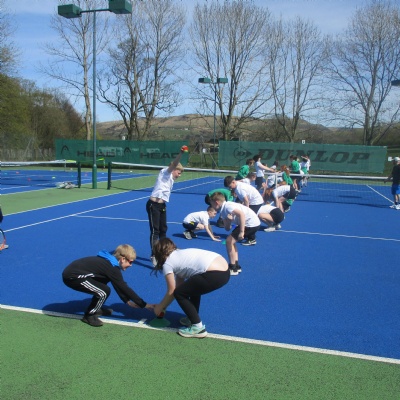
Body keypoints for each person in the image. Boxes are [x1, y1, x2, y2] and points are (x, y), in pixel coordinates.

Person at [152, 238, 230, 338]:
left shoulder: (168, 263)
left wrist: (160, 307)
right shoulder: (179, 254)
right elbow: (180, 286)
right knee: (190, 288)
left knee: (179, 293)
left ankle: (198, 328)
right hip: (225, 271)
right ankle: (192, 318)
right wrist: (164, 306)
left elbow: (172, 291)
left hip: (214, 274)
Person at [62, 244, 154, 327]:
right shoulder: (112, 267)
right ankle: (89, 315)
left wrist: (127, 301)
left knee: (104, 282)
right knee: (103, 292)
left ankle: (96, 308)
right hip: (73, 277)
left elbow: (117, 284)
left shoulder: (110, 261)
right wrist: (143, 304)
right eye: (130, 262)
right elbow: (123, 287)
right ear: (123, 259)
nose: (131, 265)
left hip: (77, 274)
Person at [146, 146, 186, 265]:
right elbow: (174, 164)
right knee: (155, 231)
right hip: (153, 205)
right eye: (179, 172)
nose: (179, 175)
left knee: (163, 230)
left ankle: (164, 252)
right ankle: (154, 255)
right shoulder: (165, 173)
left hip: (162, 206)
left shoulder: (171, 180)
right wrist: (181, 153)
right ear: (174, 170)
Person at [210, 192, 260, 274]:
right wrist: (229, 221)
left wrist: (242, 231)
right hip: (251, 223)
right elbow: (227, 228)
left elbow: (241, 214)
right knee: (231, 241)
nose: (211, 206)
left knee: (229, 241)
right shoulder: (223, 211)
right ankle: (236, 266)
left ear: (216, 202)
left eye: (211, 203)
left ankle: (232, 268)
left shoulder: (228, 206)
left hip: (251, 223)